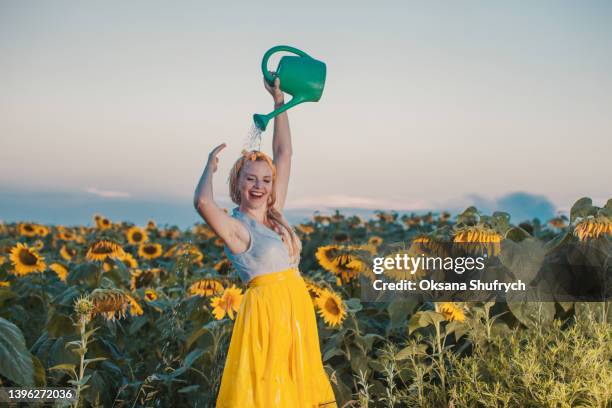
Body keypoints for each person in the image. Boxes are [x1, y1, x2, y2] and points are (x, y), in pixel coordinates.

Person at [193, 75, 337, 407]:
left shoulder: (275, 215)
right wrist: (208, 168)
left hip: (295, 308)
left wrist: (279, 103)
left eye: (266, 181)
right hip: (266, 317)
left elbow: (284, 153)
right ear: (237, 183)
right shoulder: (237, 228)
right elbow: (203, 204)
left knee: (297, 384)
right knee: (269, 390)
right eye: (251, 180)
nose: (259, 187)